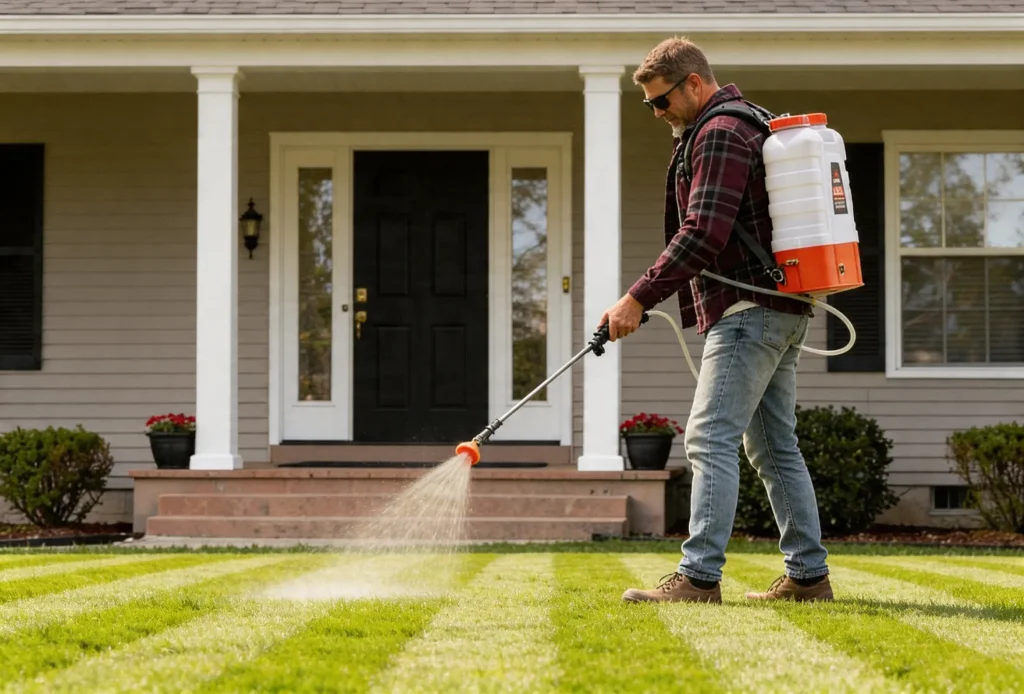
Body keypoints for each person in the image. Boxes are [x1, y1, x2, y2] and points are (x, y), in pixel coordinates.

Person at [600, 36, 833, 604]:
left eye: (661, 101)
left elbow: (704, 231)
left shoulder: (720, 132)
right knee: (775, 447)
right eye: (650, 105)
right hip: (778, 308)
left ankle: (699, 577)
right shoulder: (745, 123)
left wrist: (637, 297)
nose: (658, 114)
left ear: (695, 84)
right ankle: (808, 577)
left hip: (749, 313)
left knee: (709, 438)